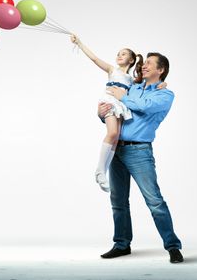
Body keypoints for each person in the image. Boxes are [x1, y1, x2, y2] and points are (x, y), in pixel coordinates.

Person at [98, 52, 184, 263]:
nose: (143, 66)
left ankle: (173, 246)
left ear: (160, 70)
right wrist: (103, 113)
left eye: (149, 64)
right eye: (144, 63)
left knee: (154, 201)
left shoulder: (165, 95)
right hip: (117, 150)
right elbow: (118, 108)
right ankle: (121, 244)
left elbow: (144, 107)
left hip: (139, 152)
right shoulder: (134, 88)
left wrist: (123, 98)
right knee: (118, 201)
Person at [70, 35, 165, 192]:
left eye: (123, 54)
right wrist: (79, 43)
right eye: (118, 53)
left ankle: (103, 173)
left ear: (131, 60)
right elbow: (94, 58)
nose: (119, 56)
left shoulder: (133, 80)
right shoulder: (112, 70)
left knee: (115, 138)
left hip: (121, 106)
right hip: (110, 101)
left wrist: (162, 84)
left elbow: (148, 85)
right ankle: (100, 170)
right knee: (113, 133)